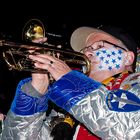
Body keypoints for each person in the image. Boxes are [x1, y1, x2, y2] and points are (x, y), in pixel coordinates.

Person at [1, 25, 140, 140]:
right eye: (86, 49)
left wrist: (70, 81)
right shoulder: (64, 112)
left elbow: (133, 127)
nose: (88, 53)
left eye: (99, 46)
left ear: (128, 58)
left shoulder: (135, 83)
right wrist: (35, 92)